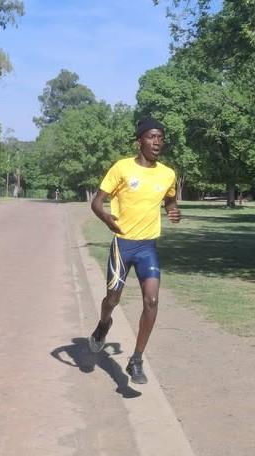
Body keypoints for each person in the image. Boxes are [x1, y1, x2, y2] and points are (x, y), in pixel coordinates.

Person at [88, 117, 181, 384]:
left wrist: (173, 210)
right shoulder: (121, 168)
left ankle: (137, 359)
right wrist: (107, 219)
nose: (157, 142)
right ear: (140, 140)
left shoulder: (167, 174)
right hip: (122, 245)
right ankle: (104, 323)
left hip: (147, 246)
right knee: (113, 299)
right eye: (152, 137)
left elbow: (170, 199)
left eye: (161, 138)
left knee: (152, 301)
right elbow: (97, 202)